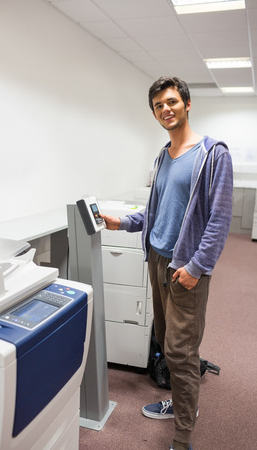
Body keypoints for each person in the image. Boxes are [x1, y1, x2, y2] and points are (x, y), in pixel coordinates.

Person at [101, 76, 233, 450]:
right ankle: (177, 403)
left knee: (181, 350)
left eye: (172, 101)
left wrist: (196, 268)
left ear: (187, 104)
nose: (166, 109)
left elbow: (220, 220)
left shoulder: (213, 154)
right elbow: (154, 212)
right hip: (157, 259)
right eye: (159, 105)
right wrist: (122, 222)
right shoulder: (163, 156)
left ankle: (182, 436)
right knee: (163, 340)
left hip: (185, 267)